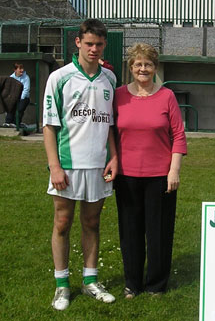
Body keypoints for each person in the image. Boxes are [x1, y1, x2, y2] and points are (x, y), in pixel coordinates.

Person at [43, 19, 117, 311]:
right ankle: (62, 286)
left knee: (92, 223)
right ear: (78, 43)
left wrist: (114, 156)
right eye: (89, 44)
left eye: (99, 44)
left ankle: (90, 281)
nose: (94, 49)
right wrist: (54, 167)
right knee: (62, 223)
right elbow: (49, 126)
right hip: (67, 165)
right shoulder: (59, 77)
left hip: (98, 165)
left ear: (104, 45)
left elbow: (110, 124)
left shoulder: (110, 79)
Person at [113, 43, 187, 299]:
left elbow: (178, 135)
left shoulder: (167, 96)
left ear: (155, 67)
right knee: (130, 231)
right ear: (131, 68)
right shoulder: (119, 95)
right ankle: (132, 283)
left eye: (147, 64)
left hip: (160, 176)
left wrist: (174, 170)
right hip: (126, 175)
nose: (143, 69)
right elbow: (111, 133)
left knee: (159, 232)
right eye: (138, 64)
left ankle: (156, 284)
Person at [3, 63, 30, 128]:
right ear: (15, 70)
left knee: (20, 108)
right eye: (20, 69)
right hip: (14, 97)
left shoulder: (26, 78)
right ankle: (8, 122)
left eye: (22, 68)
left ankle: (16, 123)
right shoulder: (11, 78)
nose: (22, 70)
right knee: (10, 105)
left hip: (24, 98)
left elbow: (26, 90)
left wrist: (20, 98)